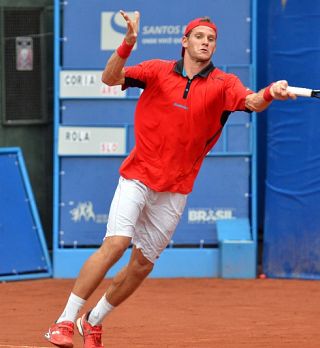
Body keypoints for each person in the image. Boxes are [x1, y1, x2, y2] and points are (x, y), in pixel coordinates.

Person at [45, 10, 296, 348]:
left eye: (211, 39)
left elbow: (251, 101)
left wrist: (270, 93)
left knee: (142, 265)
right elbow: (109, 78)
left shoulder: (225, 84)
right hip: (138, 175)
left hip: (176, 189)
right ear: (184, 41)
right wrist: (127, 43)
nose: (206, 42)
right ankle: (62, 322)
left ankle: (92, 320)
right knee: (116, 244)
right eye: (199, 37)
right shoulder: (156, 71)